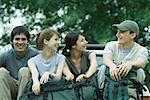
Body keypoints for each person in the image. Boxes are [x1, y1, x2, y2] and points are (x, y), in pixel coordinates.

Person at [103, 20, 148, 99]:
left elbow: (142, 62)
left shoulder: (141, 50)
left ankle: (135, 94)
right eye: (117, 32)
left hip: (129, 86)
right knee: (103, 69)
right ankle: (101, 93)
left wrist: (130, 64)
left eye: (122, 32)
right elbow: (106, 58)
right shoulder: (111, 45)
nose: (117, 35)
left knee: (140, 71)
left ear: (132, 35)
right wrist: (112, 66)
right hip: (110, 86)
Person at [27, 28, 74, 95]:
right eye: (56, 39)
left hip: (57, 91)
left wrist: (48, 74)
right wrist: (36, 83)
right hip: (41, 92)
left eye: (59, 40)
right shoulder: (32, 61)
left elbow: (58, 77)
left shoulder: (61, 58)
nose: (59, 43)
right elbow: (35, 74)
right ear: (46, 41)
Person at [0, 26, 39, 100]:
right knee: (1, 71)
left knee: (24, 70)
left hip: (29, 88)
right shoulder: (5, 55)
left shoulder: (35, 55)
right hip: (11, 88)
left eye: (23, 39)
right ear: (12, 41)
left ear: (28, 41)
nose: (20, 42)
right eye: (17, 39)